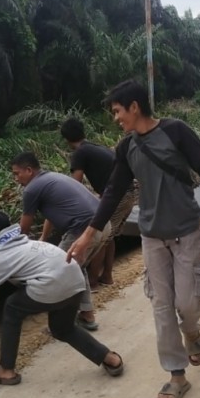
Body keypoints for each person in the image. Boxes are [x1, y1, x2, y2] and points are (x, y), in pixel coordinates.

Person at [66, 80, 200, 398]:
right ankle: (176, 374)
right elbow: (112, 192)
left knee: (186, 304)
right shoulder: (126, 148)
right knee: (161, 306)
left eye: (117, 111)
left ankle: (193, 333)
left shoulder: (176, 131)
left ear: (134, 107)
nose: (116, 118)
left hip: (186, 232)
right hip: (152, 237)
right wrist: (88, 234)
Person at [0, 209, 124, 385]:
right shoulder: (27, 244)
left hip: (52, 286)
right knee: (63, 329)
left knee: (12, 307)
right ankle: (110, 359)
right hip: (75, 281)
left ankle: (6, 371)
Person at [10, 152, 111, 331]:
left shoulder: (32, 189)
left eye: (17, 173)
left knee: (57, 271)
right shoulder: (51, 178)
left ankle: (61, 323)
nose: (16, 178)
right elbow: (50, 214)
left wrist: (9, 248)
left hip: (84, 231)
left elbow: (24, 228)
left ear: (29, 170)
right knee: (74, 267)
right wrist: (43, 237)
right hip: (103, 226)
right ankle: (87, 315)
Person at [60, 117, 138, 287]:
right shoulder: (94, 147)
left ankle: (94, 280)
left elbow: (75, 185)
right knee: (109, 237)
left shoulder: (80, 153)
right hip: (128, 194)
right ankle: (106, 276)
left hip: (118, 196)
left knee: (100, 236)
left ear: (66, 138)